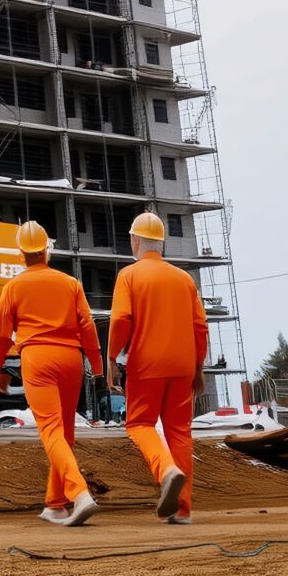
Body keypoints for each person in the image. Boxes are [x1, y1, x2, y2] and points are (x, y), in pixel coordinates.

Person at [0, 220, 102, 526]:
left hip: (37, 359)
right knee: (64, 434)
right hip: (71, 359)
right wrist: (96, 363)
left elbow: (1, 336)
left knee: (51, 431)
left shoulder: (13, 288)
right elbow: (88, 326)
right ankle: (55, 504)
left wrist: (0, 369)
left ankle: (79, 494)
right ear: (47, 250)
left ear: (20, 253)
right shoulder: (70, 284)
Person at [109, 211, 210, 523]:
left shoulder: (129, 275)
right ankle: (182, 510)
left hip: (147, 364)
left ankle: (166, 470)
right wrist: (198, 366)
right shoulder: (184, 279)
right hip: (182, 365)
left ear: (135, 241)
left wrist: (111, 358)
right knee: (179, 431)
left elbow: (121, 319)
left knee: (139, 425)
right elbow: (201, 327)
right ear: (162, 244)